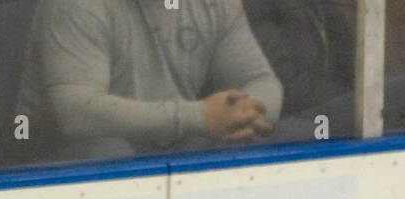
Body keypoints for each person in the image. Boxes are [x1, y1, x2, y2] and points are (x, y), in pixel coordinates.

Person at [17, 0, 281, 162]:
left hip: (173, 143)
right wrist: (199, 118)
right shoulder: (76, 5)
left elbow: (259, 79)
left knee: (284, 138)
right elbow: (76, 113)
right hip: (62, 154)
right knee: (111, 154)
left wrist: (243, 118)